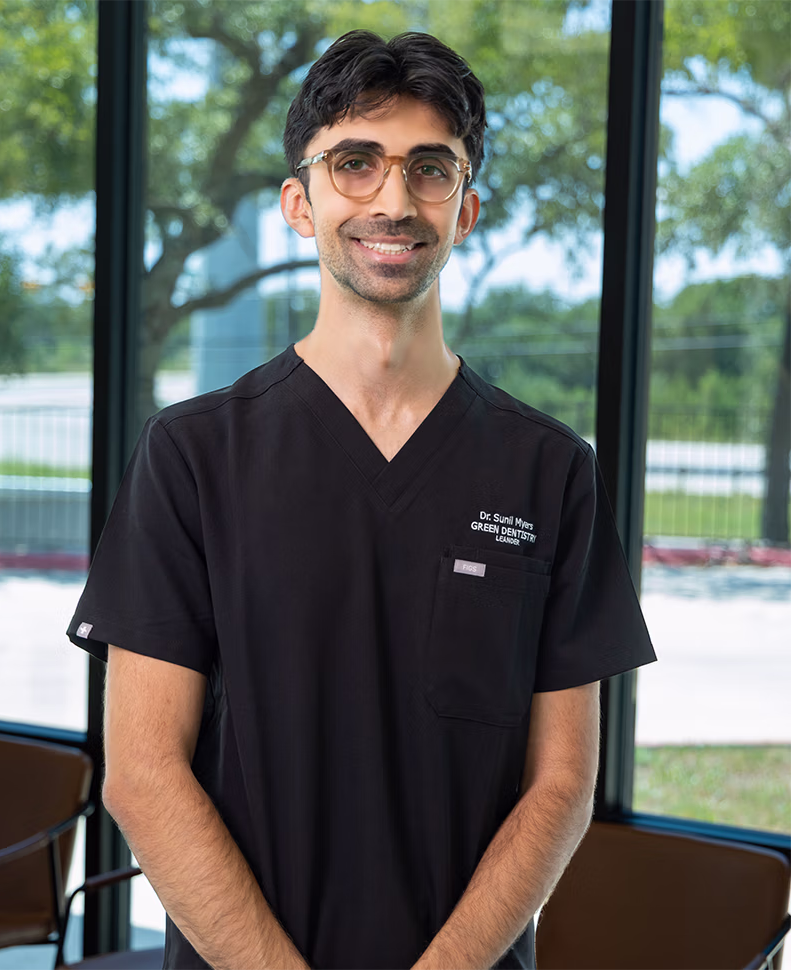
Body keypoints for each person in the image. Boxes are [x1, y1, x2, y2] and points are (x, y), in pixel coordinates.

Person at [68, 29, 656, 970]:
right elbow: (142, 774)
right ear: (300, 204)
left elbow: (561, 785)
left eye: (431, 169)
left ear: (466, 210)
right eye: (356, 163)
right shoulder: (192, 456)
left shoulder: (550, 472)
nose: (394, 199)